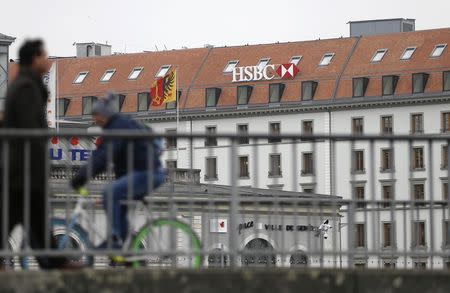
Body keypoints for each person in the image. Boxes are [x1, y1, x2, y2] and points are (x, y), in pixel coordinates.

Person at [1, 39, 74, 269]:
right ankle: (56, 264)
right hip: (23, 172)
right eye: (45, 56)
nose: (49, 60)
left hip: (22, 171)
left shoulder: (25, 85)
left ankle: (55, 263)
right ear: (35, 59)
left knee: (35, 222)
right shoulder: (26, 88)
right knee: (22, 220)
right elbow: (29, 131)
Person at [71, 94, 165, 249]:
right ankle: (125, 247)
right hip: (143, 172)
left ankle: (116, 240)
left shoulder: (118, 128)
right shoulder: (114, 128)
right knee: (114, 199)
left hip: (148, 173)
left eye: (96, 115)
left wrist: (80, 178)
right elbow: (114, 163)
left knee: (111, 193)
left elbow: (102, 158)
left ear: (105, 115)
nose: (95, 120)